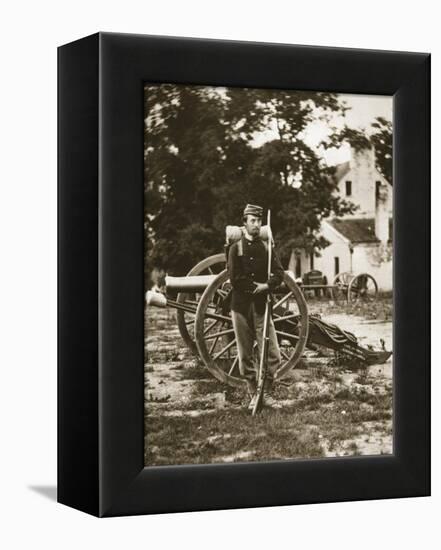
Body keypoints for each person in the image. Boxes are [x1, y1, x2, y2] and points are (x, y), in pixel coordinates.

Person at [227, 204, 284, 406]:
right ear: (245, 223)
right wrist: (256, 288)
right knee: (245, 355)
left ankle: (265, 393)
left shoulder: (267, 248)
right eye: (252, 221)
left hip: (262, 306)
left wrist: (267, 285)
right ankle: (253, 394)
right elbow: (235, 279)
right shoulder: (236, 248)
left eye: (259, 221)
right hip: (241, 307)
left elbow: (279, 273)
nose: (256, 225)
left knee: (273, 353)